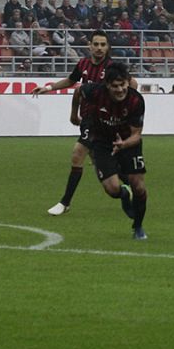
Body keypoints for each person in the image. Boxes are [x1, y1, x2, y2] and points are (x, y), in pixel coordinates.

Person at [31, 29, 137, 215]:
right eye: (96, 44)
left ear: (108, 47)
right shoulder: (83, 64)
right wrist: (49, 87)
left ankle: (65, 203)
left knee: (78, 154)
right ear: (89, 46)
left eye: (103, 44)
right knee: (102, 166)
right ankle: (128, 186)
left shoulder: (112, 67)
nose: (99, 48)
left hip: (102, 122)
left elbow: (132, 84)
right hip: (88, 120)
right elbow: (71, 81)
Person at [79, 61, 149, 240]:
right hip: (102, 142)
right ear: (107, 85)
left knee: (139, 186)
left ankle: (138, 227)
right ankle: (123, 194)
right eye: (115, 86)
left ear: (128, 82)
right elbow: (79, 90)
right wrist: (74, 115)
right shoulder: (94, 92)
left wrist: (123, 144)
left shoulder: (136, 100)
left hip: (128, 142)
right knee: (112, 189)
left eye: (123, 85)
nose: (120, 90)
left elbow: (137, 135)